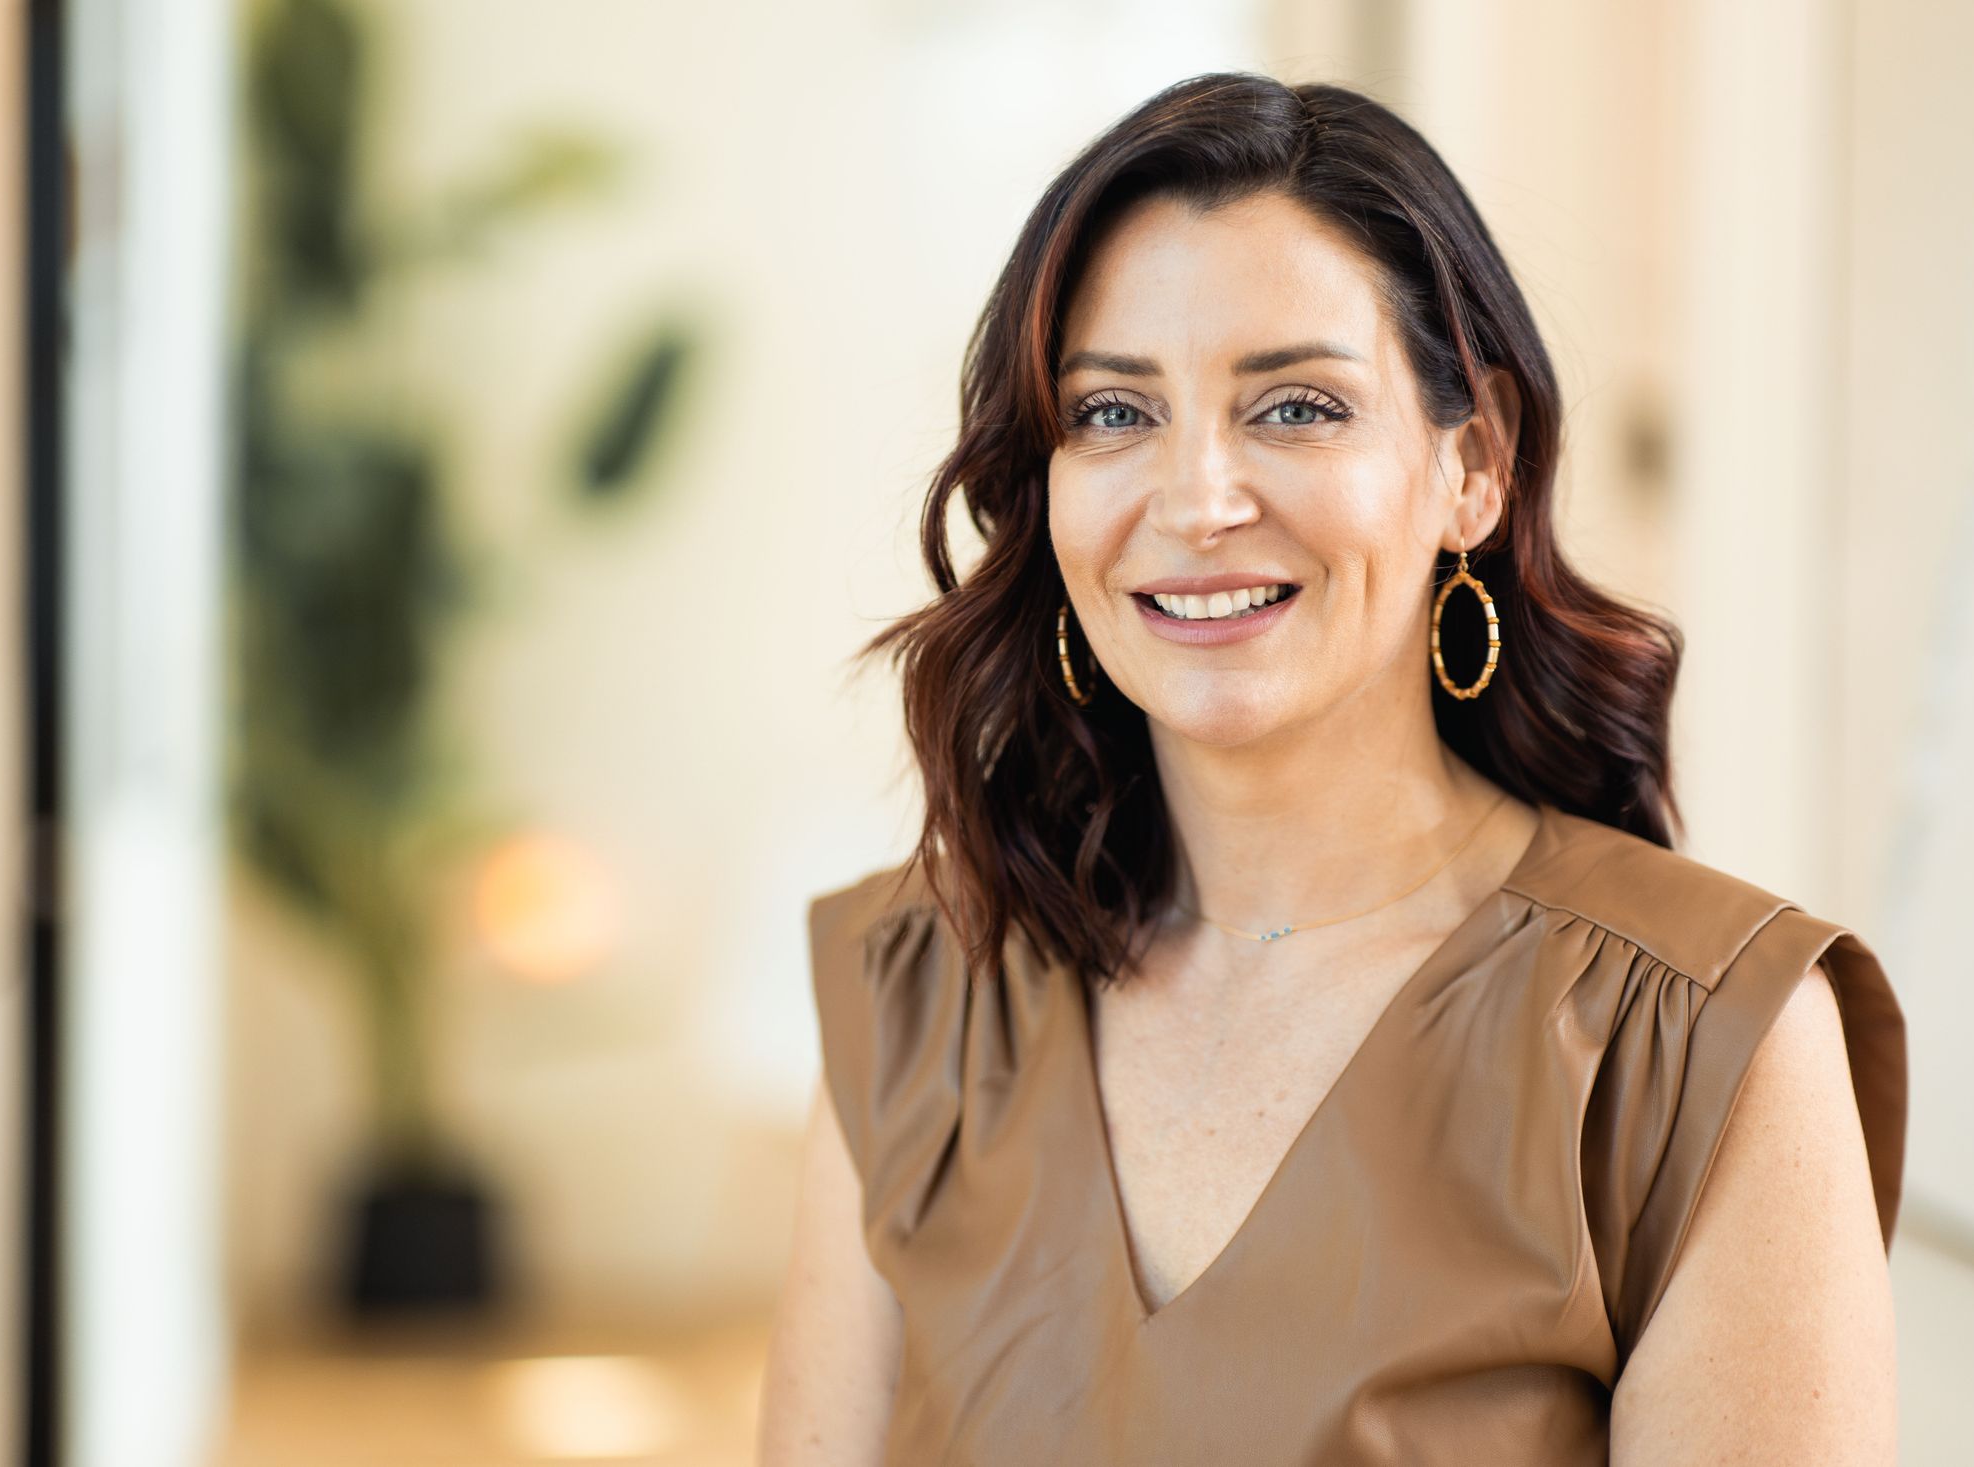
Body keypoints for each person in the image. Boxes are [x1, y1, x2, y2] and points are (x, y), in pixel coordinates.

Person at [758, 72, 1904, 1466]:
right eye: (1114, 415)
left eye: (1294, 407)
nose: (1197, 501)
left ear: (1472, 461)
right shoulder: (917, 990)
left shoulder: (1700, 1043)